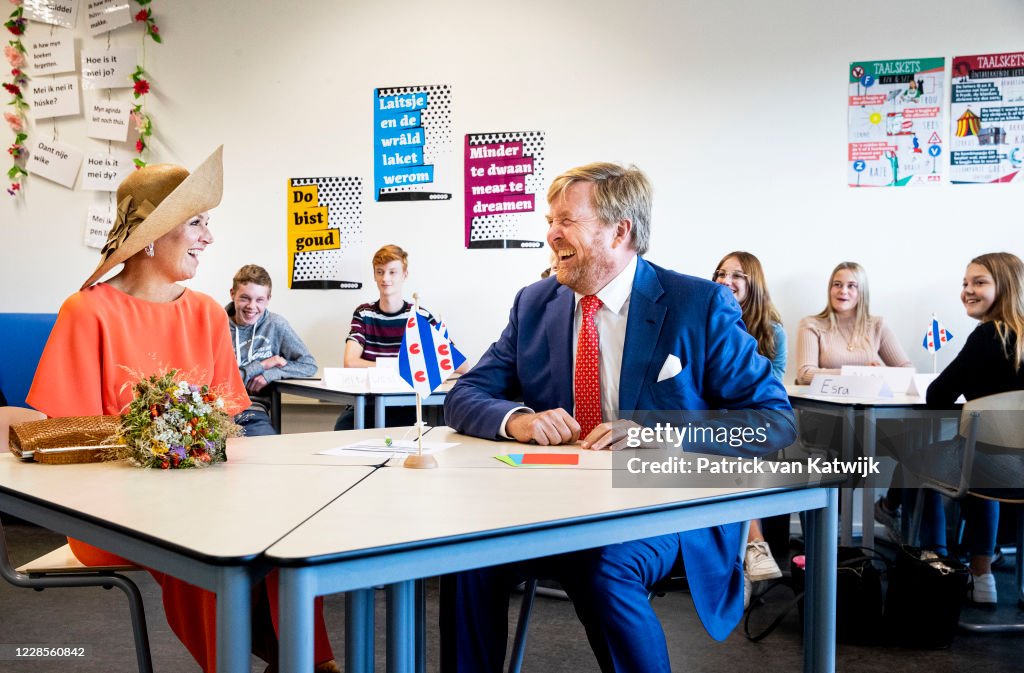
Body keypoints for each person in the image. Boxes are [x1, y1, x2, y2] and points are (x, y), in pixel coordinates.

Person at [440, 162, 795, 673]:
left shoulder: (698, 304)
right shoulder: (536, 303)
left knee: (604, 565)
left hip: (667, 508)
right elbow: (466, 393)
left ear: (620, 230)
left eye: (566, 220)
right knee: (464, 556)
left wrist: (663, 433)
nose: (550, 233)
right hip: (551, 504)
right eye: (549, 219)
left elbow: (774, 420)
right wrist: (517, 419)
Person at [26, 148, 338, 673]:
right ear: (152, 233)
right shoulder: (87, 311)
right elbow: (69, 439)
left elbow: (230, 424)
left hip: (206, 492)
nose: (208, 238)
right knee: (206, 543)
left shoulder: (204, 314)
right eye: (196, 223)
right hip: (110, 512)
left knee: (285, 532)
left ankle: (306, 662)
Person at [915, 252, 1024, 604]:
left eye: (979, 282)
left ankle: (945, 567)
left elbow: (937, 394)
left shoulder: (987, 336)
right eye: (965, 283)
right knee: (986, 460)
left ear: (1005, 287)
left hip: (987, 466)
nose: (967, 290)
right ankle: (986, 575)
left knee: (927, 461)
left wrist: (972, 414)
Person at [713, 251, 787, 589]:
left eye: (736, 275)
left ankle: (745, 557)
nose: (726, 281)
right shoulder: (706, 320)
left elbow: (773, 385)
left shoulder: (772, 331)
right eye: (721, 273)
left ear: (752, 283)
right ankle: (753, 548)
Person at [334, 244, 465, 430]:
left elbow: (460, 366)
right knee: (343, 428)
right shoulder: (364, 313)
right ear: (374, 275)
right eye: (380, 272)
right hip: (368, 403)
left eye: (392, 272)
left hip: (408, 404)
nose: (385, 278)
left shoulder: (419, 316)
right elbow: (350, 362)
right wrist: (402, 367)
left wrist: (434, 373)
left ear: (404, 275)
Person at [227, 264, 317, 436]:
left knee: (269, 449)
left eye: (259, 300)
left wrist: (271, 373)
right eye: (245, 298)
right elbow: (226, 381)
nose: (252, 306)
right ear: (233, 294)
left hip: (252, 410)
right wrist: (264, 364)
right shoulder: (217, 325)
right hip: (217, 409)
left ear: (268, 299)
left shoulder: (276, 325)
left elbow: (308, 365)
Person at [795, 261, 912, 385]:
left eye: (851, 286)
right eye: (837, 284)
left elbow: (908, 372)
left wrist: (881, 372)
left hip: (870, 401)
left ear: (862, 292)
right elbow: (804, 375)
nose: (843, 291)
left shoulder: (878, 325)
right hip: (828, 402)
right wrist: (858, 373)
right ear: (830, 289)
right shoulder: (811, 325)